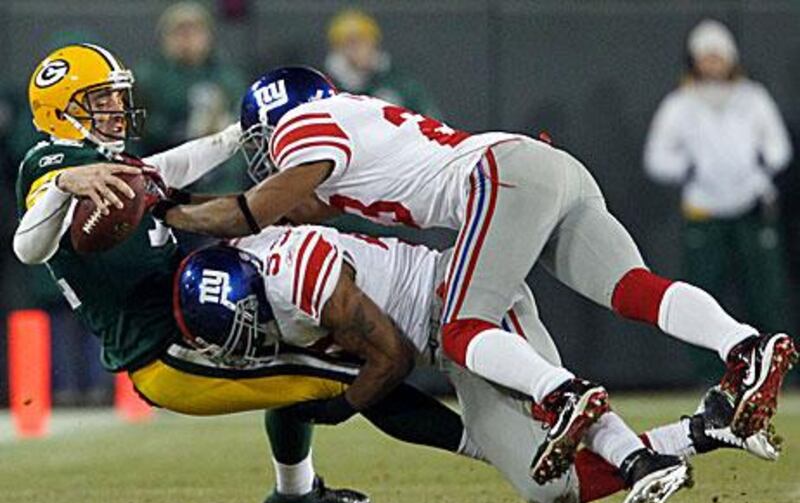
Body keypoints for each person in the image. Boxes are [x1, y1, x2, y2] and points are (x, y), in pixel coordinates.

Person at [159, 66, 798, 448]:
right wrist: (186, 199)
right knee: (632, 286)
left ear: (278, 122)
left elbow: (250, 212)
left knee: (463, 329)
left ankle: (565, 395)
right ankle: (743, 346)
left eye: (259, 140)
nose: (263, 153)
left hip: (497, 179)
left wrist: (164, 209)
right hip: (537, 165)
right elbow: (283, 209)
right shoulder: (350, 125)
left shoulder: (309, 128)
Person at [173, 224, 779, 503]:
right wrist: (478, 447)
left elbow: (392, 361)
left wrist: (339, 406)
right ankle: (706, 428)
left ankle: (644, 456)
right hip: (439, 345)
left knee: (556, 430)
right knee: (549, 489)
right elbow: (357, 394)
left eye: (246, 326)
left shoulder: (298, 280)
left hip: (466, 309)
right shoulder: (245, 282)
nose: (246, 342)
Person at [12, 43, 371, 503]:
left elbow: (170, 166)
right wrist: (61, 186)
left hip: (188, 324)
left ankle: (296, 492)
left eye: (117, 97)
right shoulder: (51, 160)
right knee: (360, 368)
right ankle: (476, 445)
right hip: (166, 351)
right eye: (100, 100)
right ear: (60, 111)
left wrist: (236, 135)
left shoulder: (104, 160)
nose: (116, 109)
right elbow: (27, 248)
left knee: (299, 339)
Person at [644, 19, 793, 380]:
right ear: (695, 60)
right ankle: (710, 379)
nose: (712, 63)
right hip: (704, 210)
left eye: (718, 56)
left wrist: (759, 169)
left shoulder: (753, 98)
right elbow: (657, 157)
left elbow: (779, 148)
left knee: (766, 294)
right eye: (706, 56)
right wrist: (689, 168)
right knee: (702, 296)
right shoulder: (680, 104)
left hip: (751, 210)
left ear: (730, 58)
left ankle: (777, 374)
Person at [135, 1, 247, 193]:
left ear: (208, 36)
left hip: (218, 174)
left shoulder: (228, 78)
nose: (187, 39)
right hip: (164, 168)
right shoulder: (147, 77)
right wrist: (180, 130)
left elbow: (242, 127)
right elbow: (138, 131)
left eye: (195, 31)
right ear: (165, 37)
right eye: (180, 32)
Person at [325, 8, 440, 116]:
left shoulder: (400, 84)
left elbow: (431, 123)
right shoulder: (328, 87)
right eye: (349, 43)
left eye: (362, 41)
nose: (356, 49)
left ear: (373, 42)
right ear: (337, 48)